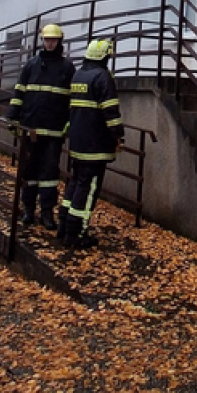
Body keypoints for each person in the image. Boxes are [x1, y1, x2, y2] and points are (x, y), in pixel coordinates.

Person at [7, 23, 75, 230]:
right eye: (47, 40)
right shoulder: (31, 65)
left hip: (54, 130)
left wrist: (69, 124)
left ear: (59, 41)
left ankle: (47, 213)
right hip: (31, 129)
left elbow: (72, 99)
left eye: (53, 40)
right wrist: (13, 118)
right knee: (29, 171)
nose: (50, 43)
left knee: (49, 174)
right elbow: (19, 93)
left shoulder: (67, 67)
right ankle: (28, 209)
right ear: (42, 41)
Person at [58, 39, 124, 249]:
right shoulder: (103, 77)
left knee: (76, 182)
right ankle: (77, 233)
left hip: (78, 142)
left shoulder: (78, 75)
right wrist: (118, 136)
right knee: (89, 187)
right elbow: (111, 112)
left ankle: (64, 226)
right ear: (104, 56)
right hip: (95, 144)